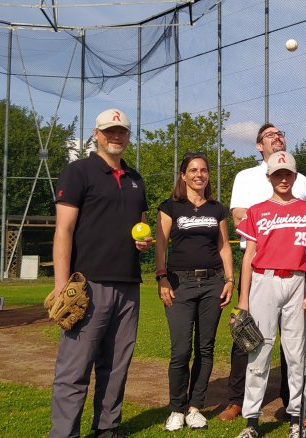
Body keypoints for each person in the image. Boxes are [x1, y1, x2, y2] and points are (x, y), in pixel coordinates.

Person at [49, 108, 151, 438]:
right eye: (110, 131)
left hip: (128, 285)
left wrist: (143, 243)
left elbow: (140, 226)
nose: (116, 136)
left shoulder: (136, 180)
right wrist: (62, 285)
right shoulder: (79, 172)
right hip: (88, 286)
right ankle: (64, 434)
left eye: (122, 131)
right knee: (74, 370)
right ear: (96, 134)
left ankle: (108, 428)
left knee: (116, 367)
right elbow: (63, 231)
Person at [221, 123, 306, 421]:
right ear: (269, 176)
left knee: (295, 352)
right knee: (258, 351)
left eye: (288, 174)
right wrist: (244, 299)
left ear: (295, 176)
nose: (284, 179)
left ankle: (296, 411)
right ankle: (249, 415)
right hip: (263, 279)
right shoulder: (258, 208)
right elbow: (248, 255)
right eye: (278, 174)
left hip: (297, 281)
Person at [154, 152, 235, 432]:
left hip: (212, 282)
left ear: (208, 175)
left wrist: (230, 279)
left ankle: (194, 407)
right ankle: (176, 408)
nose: (199, 174)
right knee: (180, 351)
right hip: (179, 283)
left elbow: (224, 246)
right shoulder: (170, 207)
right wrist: (162, 278)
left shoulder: (216, 208)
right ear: (183, 175)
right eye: (193, 170)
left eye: (203, 170)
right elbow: (161, 246)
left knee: (205, 348)